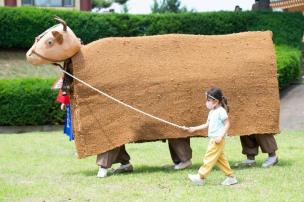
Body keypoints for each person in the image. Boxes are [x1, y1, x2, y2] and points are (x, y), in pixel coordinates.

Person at [186, 87, 237, 186]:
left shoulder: (221, 111)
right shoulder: (212, 112)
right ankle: (231, 178)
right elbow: (206, 124)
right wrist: (194, 128)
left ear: (216, 101)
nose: (207, 102)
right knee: (220, 160)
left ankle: (200, 177)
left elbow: (227, 124)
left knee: (209, 158)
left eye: (208, 100)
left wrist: (220, 136)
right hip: (213, 139)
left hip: (217, 140)